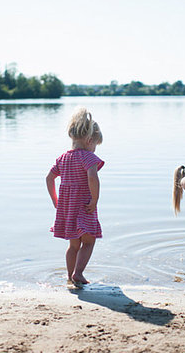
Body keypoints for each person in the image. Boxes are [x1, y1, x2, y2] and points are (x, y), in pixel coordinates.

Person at [46, 107, 104, 285]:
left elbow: (49, 178)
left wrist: (55, 199)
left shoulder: (62, 158)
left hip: (68, 209)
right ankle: (78, 273)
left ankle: (69, 275)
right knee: (88, 242)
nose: (95, 149)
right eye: (95, 145)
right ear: (89, 140)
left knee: (73, 246)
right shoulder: (88, 158)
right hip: (84, 207)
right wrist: (94, 200)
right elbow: (92, 178)